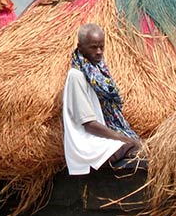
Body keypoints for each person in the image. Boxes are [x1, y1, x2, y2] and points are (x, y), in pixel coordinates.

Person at [61, 23, 142, 175]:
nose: (99, 52)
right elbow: (89, 124)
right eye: (93, 47)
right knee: (134, 147)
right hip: (86, 142)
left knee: (138, 145)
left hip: (97, 137)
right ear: (80, 47)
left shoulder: (98, 71)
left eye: (101, 47)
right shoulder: (76, 75)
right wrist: (124, 139)